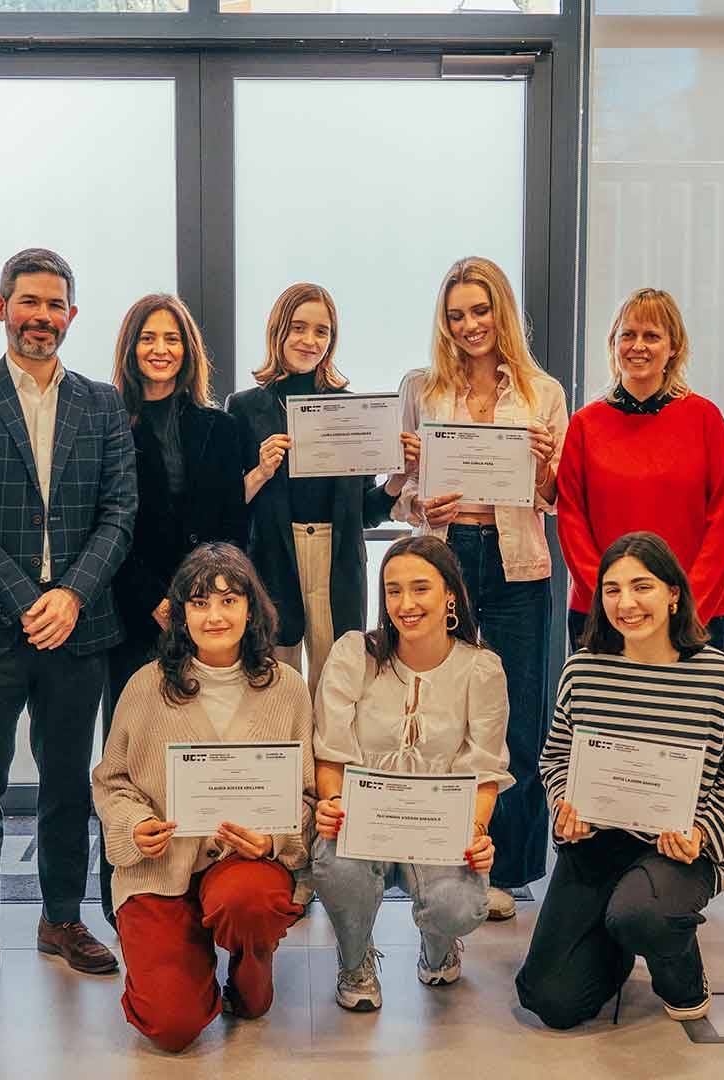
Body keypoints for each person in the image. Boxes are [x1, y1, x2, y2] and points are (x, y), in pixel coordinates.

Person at [0, 247, 138, 997]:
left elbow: (121, 511)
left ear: (71, 317)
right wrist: (26, 599)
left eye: (55, 306)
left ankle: (60, 917)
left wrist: (72, 595)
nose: (41, 317)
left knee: (66, 788)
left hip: (78, 628)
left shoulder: (103, 403)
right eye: (29, 303)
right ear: (1, 308)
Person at [515, 532, 724, 1029]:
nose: (625, 603)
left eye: (641, 587)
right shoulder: (582, 671)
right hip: (596, 845)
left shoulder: (723, 678)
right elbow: (556, 758)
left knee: (642, 915)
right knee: (550, 1000)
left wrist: (700, 833)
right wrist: (565, 804)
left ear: (674, 593)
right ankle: (619, 942)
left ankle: (682, 973)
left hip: (677, 851)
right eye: (611, 590)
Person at [393, 256, 567, 921]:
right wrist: (418, 498)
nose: (470, 325)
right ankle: (436, 862)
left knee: (519, 719)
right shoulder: (422, 387)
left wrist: (548, 463)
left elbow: (550, 497)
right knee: (441, 717)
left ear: (503, 311)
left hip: (519, 561)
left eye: (480, 310)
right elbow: (400, 494)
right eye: (457, 314)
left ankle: (512, 869)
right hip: (447, 556)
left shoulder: (542, 391)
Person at [94, 543, 314, 1053]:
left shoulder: (288, 689)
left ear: (251, 608)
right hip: (161, 866)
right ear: (179, 614)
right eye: (198, 602)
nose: (214, 615)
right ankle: (189, 963)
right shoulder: (145, 686)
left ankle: (248, 966)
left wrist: (272, 837)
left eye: (229, 600)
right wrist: (133, 827)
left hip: (242, 866)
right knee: (172, 1027)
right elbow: (112, 780)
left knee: (248, 902)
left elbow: (305, 793)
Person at [100, 293, 251, 923]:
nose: (160, 349)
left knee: (209, 738)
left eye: (172, 338)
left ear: (189, 350)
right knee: (134, 753)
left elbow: (231, 526)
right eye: (147, 338)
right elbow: (109, 522)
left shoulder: (222, 427)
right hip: (133, 611)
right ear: (131, 350)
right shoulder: (108, 425)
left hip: (207, 609)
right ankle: (127, 887)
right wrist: (154, 600)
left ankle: (207, 874)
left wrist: (193, 596)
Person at [310, 534, 508, 1011]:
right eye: (393, 590)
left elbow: (485, 769)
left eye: (420, 588)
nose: (405, 603)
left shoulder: (482, 669)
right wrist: (331, 802)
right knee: (335, 866)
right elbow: (331, 751)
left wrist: (478, 830)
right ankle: (355, 962)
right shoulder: (354, 654)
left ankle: (439, 944)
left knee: (458, 905)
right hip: (363, 821)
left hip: (439, 827)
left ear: (450, 596)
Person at [227, 282, 417, 696]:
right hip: (276, 557)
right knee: (276, 683)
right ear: (278, 331)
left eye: (321, 331)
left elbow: (366, 512)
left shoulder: (349, 409)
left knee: (338, 684)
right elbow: (228, 507)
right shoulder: (243, 407)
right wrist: (259, 471)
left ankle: (331, 764)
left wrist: (397, 482)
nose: (309, 340)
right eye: (298, 327)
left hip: (338, 556)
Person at [557, 289, 724, 652]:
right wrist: (613, 603)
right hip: (601, 615)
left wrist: (683, 606)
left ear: (673, 347)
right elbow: (572, 522)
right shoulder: (583, 425)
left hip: (695, 615)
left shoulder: (705, 419)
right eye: (629, 334)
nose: (638, 346)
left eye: (652, 336)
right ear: (614, 343)